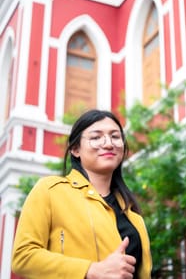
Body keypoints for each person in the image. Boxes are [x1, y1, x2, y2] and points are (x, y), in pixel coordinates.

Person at [12, 109, 152, 279]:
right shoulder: (50, 191)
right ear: (75, 149)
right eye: (96, 137)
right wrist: (91, 270)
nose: (108, 143)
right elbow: (23, 257)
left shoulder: (133, 215)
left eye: (115, 136)